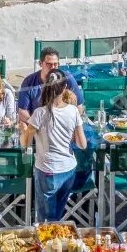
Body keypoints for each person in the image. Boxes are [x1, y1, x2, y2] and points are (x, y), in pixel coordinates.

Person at [21, 76, 87, 221]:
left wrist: (23, 129)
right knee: (57, 215)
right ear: (64, 88)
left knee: (47, 220)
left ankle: (50, 242)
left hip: (47, 170)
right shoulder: (73, 111)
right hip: (68, 169)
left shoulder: (39, 113)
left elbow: (25, 143)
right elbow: (83, 144)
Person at [16, 48, 81, 120]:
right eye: (49, 64)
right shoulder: (29, 82)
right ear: (40, 64)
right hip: (37, 125)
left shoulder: (67, 79)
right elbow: (22, 111)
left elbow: (79, 106)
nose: (53, 67)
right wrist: (36, 125)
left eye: (55, 64)